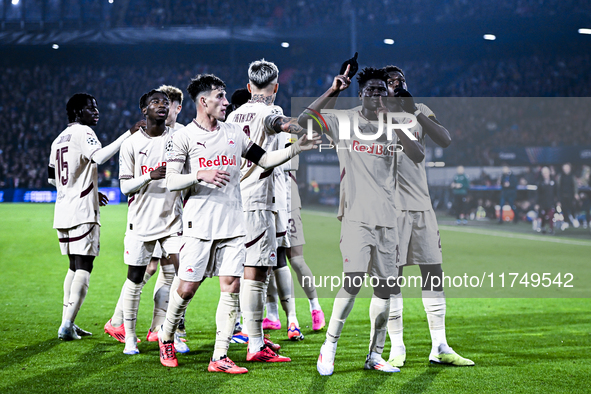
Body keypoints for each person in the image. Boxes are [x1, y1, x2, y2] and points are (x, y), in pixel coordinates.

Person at [159, 73, 319, 373]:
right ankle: (166, 336)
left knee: (231, 287)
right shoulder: (183, 137)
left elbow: (267, 160)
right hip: (200, 225)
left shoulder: (234, 132)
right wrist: (199, 175)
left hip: (234, 224)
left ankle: (220, 356)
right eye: (219, 96)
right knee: (187, 289)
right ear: (203, 101)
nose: (225, 101)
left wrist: (299, 147)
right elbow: (170, 182)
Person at [298, 65, 424, 376]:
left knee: (385, 291)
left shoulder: (395, 123)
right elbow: (304, 121)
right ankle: (329, 346)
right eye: (371, 91)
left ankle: (374, 355)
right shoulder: (345, 120)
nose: (378, 95)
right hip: (355, 216)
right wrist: (334, 90)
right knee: (353, 281)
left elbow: (419, 155)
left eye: (382, 90)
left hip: (388, 219)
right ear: (361, 94)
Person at [382, 65, 474, 368]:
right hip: (389, 207)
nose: (399, 84)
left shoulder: (420, 109)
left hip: (421, 204)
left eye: (402, 80)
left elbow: (445, 140)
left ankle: (440, 346)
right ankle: (397, 346)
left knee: (433, 271)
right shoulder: (370, 116)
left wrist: (415, 113)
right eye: (392, 82)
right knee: (391, 277)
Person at [228, 59, 307, 343]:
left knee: (242, 267)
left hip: (237, 198)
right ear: (276, 87)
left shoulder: (232, 117)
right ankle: (255, 338)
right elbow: (280, 123)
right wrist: (301, 129)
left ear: (249, 87)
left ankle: (246, 331)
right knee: (261, 271)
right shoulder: (270, 110)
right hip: (262, 200)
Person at [103, 90, 185, 355]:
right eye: (155, 103)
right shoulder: (131, 144)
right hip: (141, 222)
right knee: (135, 280)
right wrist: (150, 176)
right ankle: (129, 338)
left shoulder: (179, 138)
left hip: (173, 220)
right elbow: (125, 186)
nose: (162, 106)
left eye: (165, 102)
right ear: (144, 110)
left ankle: (172, 333)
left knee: (182, 276)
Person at [49, 93, 136, 340]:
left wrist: (88, 191)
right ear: (78, 112)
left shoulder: (57, 140)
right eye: (91, 108)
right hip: (82, 212)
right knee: (85, 266)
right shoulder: (84, 132)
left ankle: (68, 320)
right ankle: (66, 325)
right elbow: (98, 157)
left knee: (73, 266)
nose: (96, 112)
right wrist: (127, 134)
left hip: (63, 209)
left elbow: (52, 178)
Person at [557, 163, 578, 227]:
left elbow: (575, 186)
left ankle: (574, 219)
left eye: (567, 168)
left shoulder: (572, 176)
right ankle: (566, 221)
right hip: (563, 195)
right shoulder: (560, 176)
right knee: (564, 209)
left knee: (572, 208)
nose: (566, 170)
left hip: (570, 195)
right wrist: (558, 197)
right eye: (565, 169)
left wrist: (576, 193)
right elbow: (558, 187)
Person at [537, 166, 556, 234]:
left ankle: (551, 228)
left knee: (551, 215)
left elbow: (556, 192)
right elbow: (538, 194)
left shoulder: (553, 181)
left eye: (546, 172)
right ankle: (543, 227)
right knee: (543, 216)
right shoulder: (540, 183)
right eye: (544, 173)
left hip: (551, 202)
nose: (545, 174)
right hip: (543, 203)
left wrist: (558, 201)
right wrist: (537, 203)